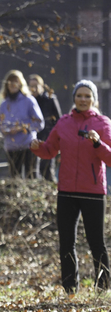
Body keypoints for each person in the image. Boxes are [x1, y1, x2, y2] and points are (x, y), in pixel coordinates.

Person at [31, 80, 111, 294]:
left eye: (87, 96)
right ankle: (70, 290)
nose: (83, 100)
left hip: (93, 192)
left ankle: (103, 288)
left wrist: (97, 143)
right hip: (66, 190)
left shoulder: (103, 123)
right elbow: (50, 150)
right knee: (66, 242)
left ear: (94, 99)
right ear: (74, 98)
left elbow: (110, 158)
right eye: (79, 96)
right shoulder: (64, 122)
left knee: (96, 242)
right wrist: (38, 147)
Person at [0, 69, 44, 179]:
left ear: (21, 83)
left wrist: (22, 127)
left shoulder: (29, 100)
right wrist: (6, 130)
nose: (13, 84)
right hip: (11, 147)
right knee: (14, 179)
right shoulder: (4, 104)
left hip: (28, 145)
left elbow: (39, 123)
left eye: (15, 81)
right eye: (10, 82)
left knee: (31, 177)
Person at [28, 74, 62, 181]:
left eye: (36, 85)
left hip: (48, 138)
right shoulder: (27, 101)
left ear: (42, 86)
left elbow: (59, 120)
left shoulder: (50, 99)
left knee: (47, 168)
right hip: (32, 138)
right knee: (32, 168)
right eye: (31, 86)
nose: (33, 88)